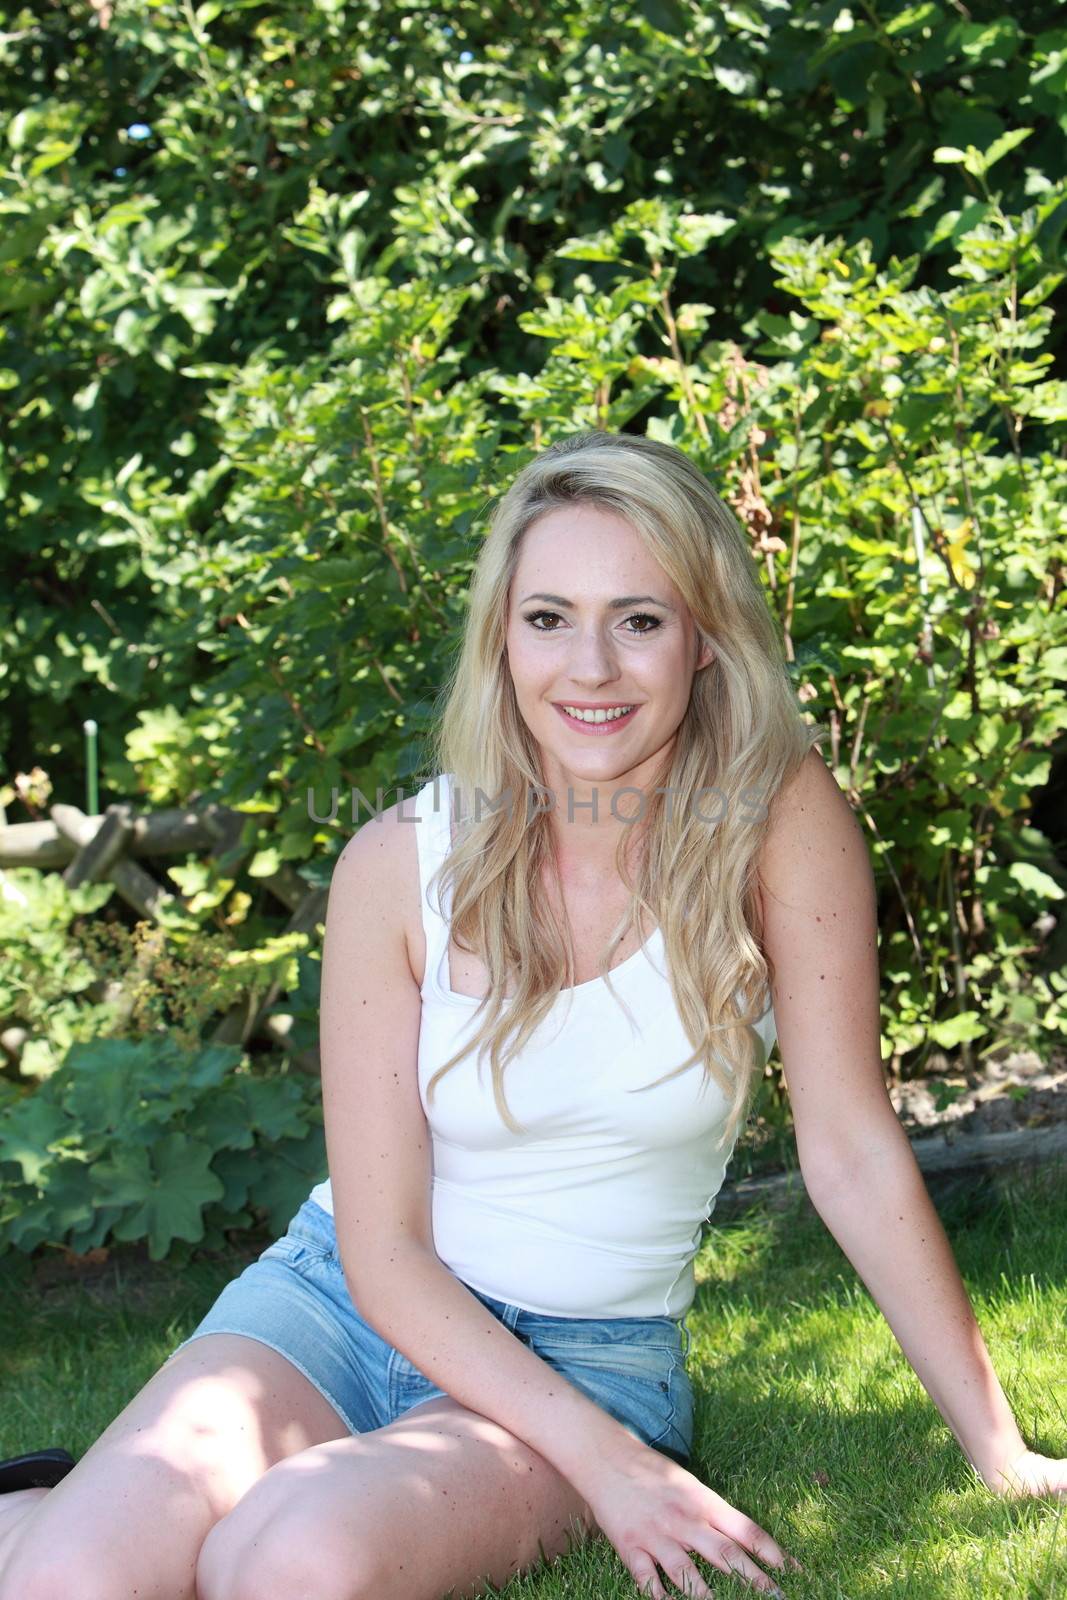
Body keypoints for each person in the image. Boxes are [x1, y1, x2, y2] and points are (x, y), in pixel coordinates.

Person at [0, 430, 1063, 1600]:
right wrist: (611, 1475)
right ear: (500, 640)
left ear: (704, 637)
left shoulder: (777, 824)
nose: (590, 667)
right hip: (333, 1304)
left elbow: (851, 1151)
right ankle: (44, 1521)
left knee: (289, 1558)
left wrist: (994, 1448)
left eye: (639, 619)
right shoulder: (397, 862)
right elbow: (381, 1246)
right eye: (547, 618)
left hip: (587, 1344)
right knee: (64, 1584)